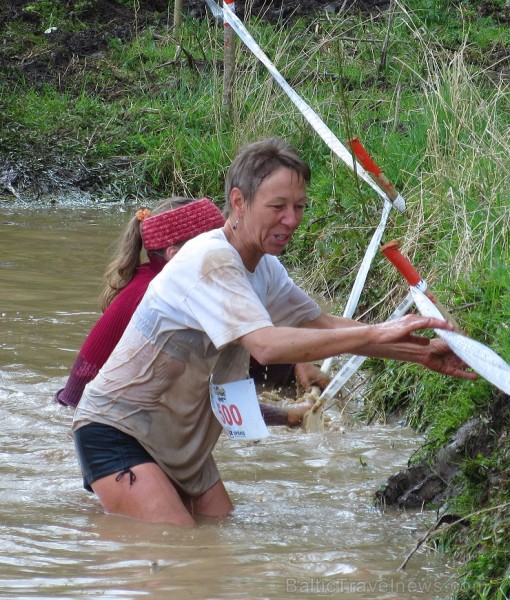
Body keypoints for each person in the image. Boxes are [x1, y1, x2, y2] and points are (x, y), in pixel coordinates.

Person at [72, 137, 475, 527]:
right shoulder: (211, 259)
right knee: (177, 552)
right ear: (238, 202)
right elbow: (265, 346)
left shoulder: (264, 267)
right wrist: (383, 332)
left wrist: (422, 351)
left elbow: (325, 325)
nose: (292, 220)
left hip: (182, 445)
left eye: (299, 206)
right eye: (278, 206)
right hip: (118, 430)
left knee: (219, 544)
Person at [56, 196, 327, 426]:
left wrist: (298, 363)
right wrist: (287, 417)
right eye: (217, 244)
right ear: (176, 254)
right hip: (98, 419)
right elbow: (213, 400)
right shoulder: (163, 297)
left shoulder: (170, 281)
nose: (229, 251)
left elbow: (258, 328)